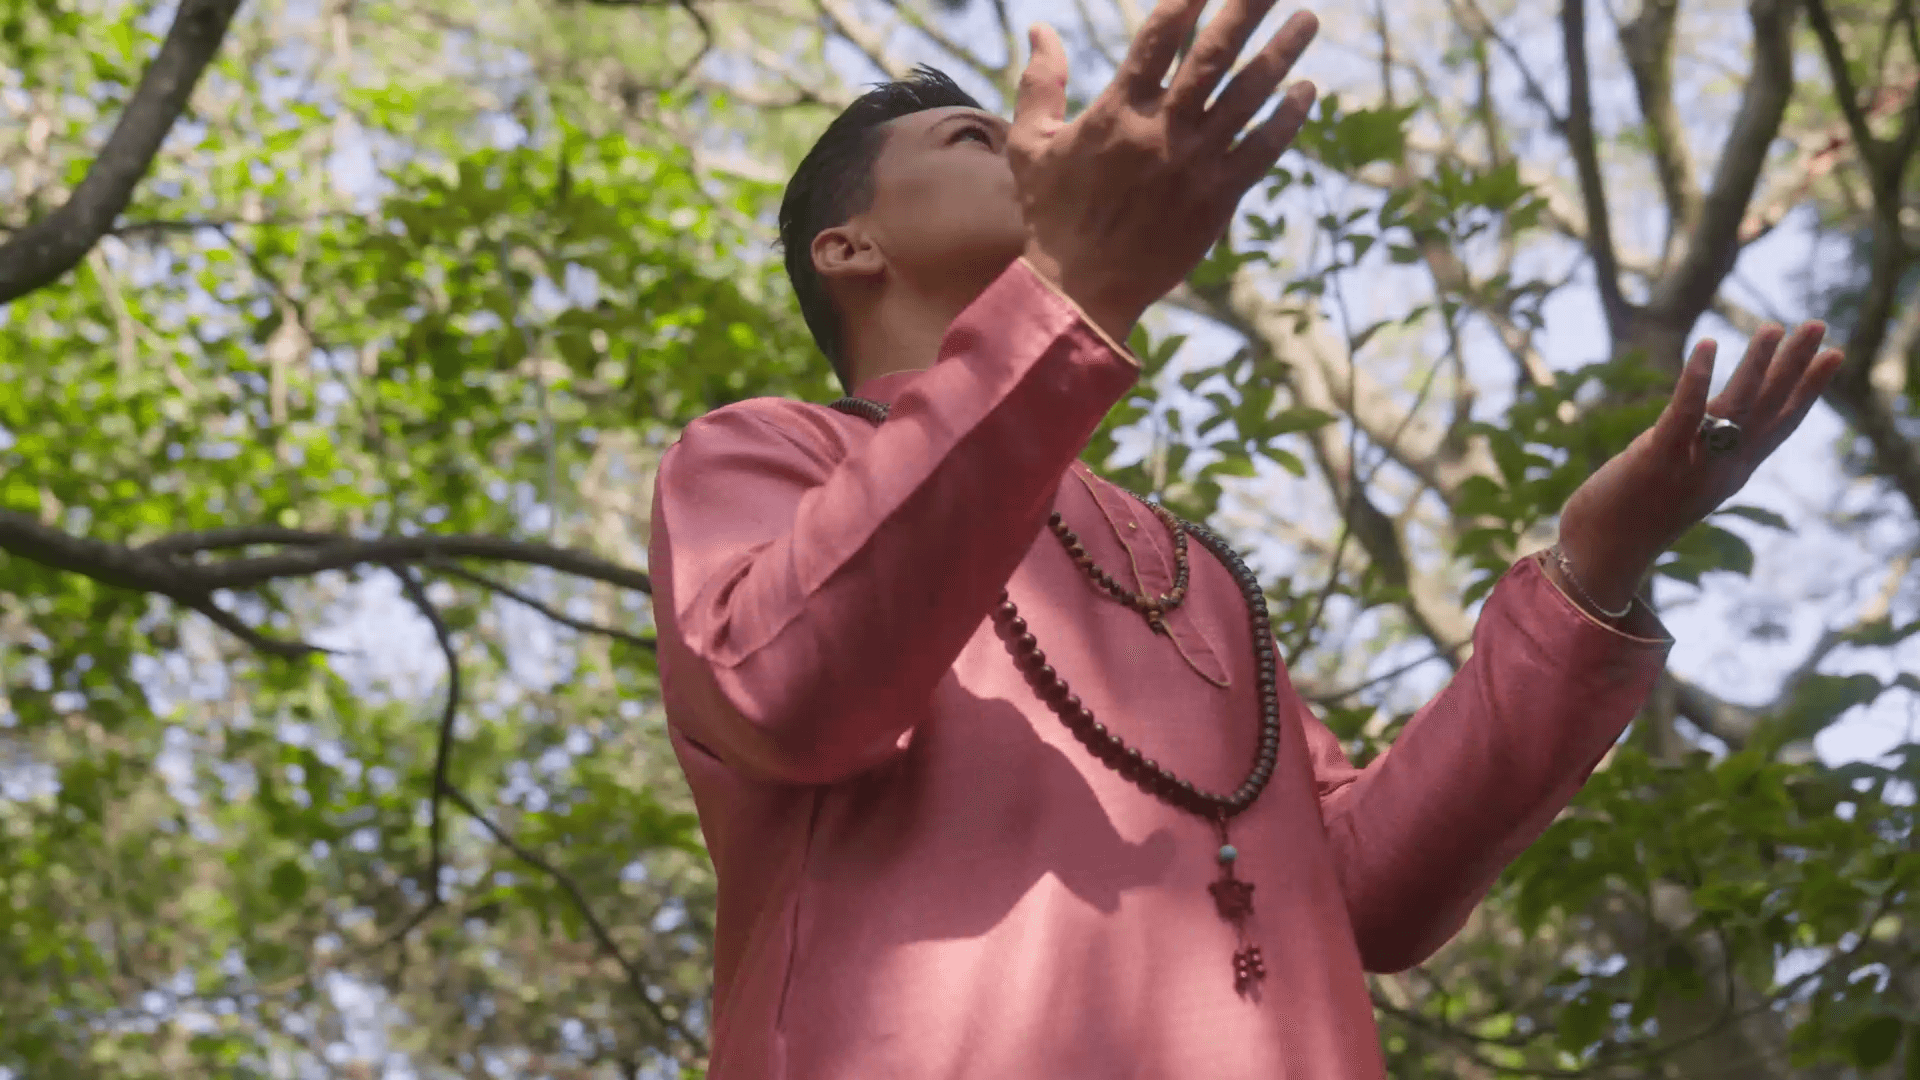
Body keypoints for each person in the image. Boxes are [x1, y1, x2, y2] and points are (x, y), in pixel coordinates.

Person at [645, 0, 1844, 1073]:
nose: (1036, 151)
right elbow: (782, 689)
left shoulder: (1188, 571)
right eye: (974, 138)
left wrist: (1593, 573)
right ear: (849, 247)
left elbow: (1369, 889)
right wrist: (1069, 292)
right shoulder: (761, 453)